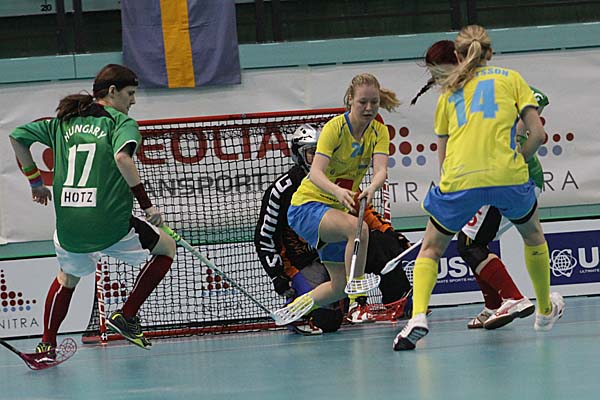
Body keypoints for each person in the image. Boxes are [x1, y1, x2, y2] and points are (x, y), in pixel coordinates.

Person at [393, 26, 564, 351]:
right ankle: (543, 311)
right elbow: (539, 135)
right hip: (509, 177)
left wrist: (449, 194)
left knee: (431, 249)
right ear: (490, 53)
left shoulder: (448, 94)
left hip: (460, 180)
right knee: (533, 237)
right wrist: (517, 160)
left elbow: (443, 158)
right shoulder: (511, 78)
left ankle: (417, 317)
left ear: (459, 56)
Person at [9, 64, 176, 358]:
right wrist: (147, 205)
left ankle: (47, 345)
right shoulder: (120, 123)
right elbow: (123, 158)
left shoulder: (62, 122)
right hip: (109, 224)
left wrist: (35, 182)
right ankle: (127, 314)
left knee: (67, 277)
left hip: (70, 226)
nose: (133, 101)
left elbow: (17, 136)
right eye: (130, 93)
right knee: (167, 247)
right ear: (112, 92)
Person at [254, 123, 413, 331]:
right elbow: (264, 237)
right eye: (312, 153)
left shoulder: (337, 177)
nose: (319, 158)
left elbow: (362, 210)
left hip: (335, 247)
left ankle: (397, 304)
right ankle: (298, 307)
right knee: (327, 321)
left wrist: (389, 233)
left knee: (383, 243)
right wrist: (278, 276)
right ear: (298, 155)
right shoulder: (281, 190)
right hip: (304, 261)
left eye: (323, 151)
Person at [273, 73, 401, 323]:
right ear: (350, 99)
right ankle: (358, 302)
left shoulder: (379, 131)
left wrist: (372, 187)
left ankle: (295, 307)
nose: (369, 108)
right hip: (306, 207)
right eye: (362, 102)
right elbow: (316, 173)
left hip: (332, 214)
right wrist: (338, 191)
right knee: (358, 229)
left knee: (338, 286)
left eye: (374, 102)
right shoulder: (335, 128)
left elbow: (381, 170)